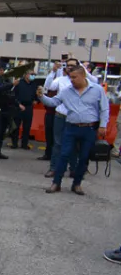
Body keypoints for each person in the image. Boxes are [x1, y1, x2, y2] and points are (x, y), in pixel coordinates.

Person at [41, 65, 109, 196]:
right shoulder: (67, 91)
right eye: (70, 77)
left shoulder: (97, 89)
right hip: (71, 127)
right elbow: (53, 102)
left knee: (83, 157)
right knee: (64, 155)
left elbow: (104, 109)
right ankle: (56, 183)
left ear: (83, 76)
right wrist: (41, 97)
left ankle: (77, 184)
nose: (71, 80)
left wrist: (103, 125)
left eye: (74, 77)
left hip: (89, 128)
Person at [44, 58, 98, 178]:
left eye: (72, 65)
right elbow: (48, 86)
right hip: (60, 115)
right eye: (67, 65)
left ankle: (74, 170)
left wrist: (82, 67)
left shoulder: (86, 81)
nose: (69, 67)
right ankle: (54, 168)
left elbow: (96, 81)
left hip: (75, 118)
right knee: (57, 144)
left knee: (74, 145)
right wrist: (53, 72)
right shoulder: (61, 79)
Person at [0, 69, 18, 161]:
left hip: (6, 110)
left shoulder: (8, 81)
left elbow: (11, 95)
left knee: (2, 132)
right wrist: (11, 85)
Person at [39, 61, 62, 161]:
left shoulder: (65, 84)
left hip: (60, 114)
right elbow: (47, 86)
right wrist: (53, 71)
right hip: (50, 112)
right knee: (49, 135)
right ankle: (48, 154)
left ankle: (56, 156)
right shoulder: (52, 83)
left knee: (57, 137)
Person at [11, 70, 39, 149]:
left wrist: (36, 100)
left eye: (34, 74)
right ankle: (14, 143)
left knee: (27, 126)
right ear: (26, 75)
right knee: (16, 126)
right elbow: (13, 95)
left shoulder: (34, 84)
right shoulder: (19, 83)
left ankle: (24, 144)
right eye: (31, 74)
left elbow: (36, 95)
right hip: (19, 106)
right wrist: (18, 104)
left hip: (29, 107)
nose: (33, 76)